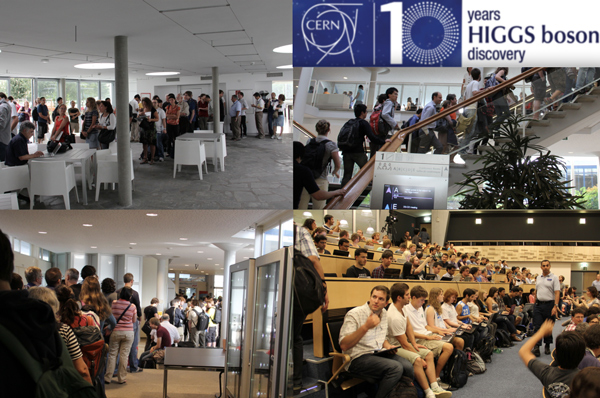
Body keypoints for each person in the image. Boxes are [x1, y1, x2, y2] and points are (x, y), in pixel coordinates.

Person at [339, 285, 411, 398]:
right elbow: (344, 345)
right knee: (395, 368)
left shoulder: (384, 314)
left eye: (381, 299)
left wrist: (388, 346)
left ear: (386, 303)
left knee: (408, 366)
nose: (376, 301)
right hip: (357, 357)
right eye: (374, 297)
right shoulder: (354, 314)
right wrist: (365, 327)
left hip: (377, 353)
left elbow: (382, 338)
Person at [387, 283, 452, 398]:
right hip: (395, 347)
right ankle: (428, 392)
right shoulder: (394, 316)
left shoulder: (402, 308)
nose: (409, 296)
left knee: (429, 354)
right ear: (399, 297)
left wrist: (414, 344)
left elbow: (408, 327)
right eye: (407, 294)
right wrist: (416, 351)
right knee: (418, 360)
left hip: (405, 343)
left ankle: (435, 386)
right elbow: (403, 343)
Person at [293, 222, 328, 393]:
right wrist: (324, 289)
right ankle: (296, 380)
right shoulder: (298, 230)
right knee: (295, 336)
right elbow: (313, 259)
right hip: (296, 293)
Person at [519, 320, 584, 398]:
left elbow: (524, 351)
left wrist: (541, 332)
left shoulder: (546, 373)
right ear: (583, 355)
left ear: (555, 353)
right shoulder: (585, 379)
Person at [403, 286, 453, 382]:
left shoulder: (420, 308)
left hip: (427, 335)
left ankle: (440, 373)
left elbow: (426, 326)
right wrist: (428, 336)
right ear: (413, 298)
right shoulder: (406, 310)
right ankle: (437, 377)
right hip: (419, 338)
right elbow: (409, 332)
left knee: (451, 340)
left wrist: (438, 331)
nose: (423, 303)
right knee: (448, 347)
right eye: (421, 300)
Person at [340, 104, 390, 187]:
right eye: (366, 111)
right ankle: (370, 187)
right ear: (362, 113)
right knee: (367, 171)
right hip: (357, 152)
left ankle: (342, 195)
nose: (366, 113)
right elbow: (372, 137)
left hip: (346, 152)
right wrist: (384, 141)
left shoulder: (349, 122)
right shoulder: (363, 123)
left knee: (347, 175)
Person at [298, 119, 341, 209]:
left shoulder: (310, 142)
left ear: (316, 129)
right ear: (329, 130)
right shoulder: (331, 145)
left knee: (301, 207)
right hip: (321, 179)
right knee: (319, 209)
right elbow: (338, 164)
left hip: (305, 179)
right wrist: (335, 172)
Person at [293, 141, 346, 209]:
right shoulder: (303, 171)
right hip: (321, 180)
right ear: (301, 155)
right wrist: (336, 192)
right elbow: (318, 195)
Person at [105, 286, 138, 384]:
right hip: (128, 333)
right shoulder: (132, 306)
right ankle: (121, 378)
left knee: (112, 354)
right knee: (124, 355)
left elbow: (110, 316)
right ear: (130, 296)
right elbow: (134, 320)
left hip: (116, 331)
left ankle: (108, 377)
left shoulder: (113, 303)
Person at [532, 259, 561, 357]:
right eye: (543, 265)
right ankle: (537, 347)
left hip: (549, 305)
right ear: (541, 267)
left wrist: (555, 306)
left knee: (548, 326)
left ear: (550, 266)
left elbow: (557, 292)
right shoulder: (538, 278)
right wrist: (535, 302)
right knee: (537, 326)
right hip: (538, 305)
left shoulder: (554, 278)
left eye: (547, 265)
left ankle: (547, 345)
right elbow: (537, 291)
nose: (545, 267)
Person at [115, 273, 142, 373]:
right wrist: (140, 316)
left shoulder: (117, 292)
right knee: (133, 344)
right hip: (131, 321)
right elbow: (138, 307)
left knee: (117, 348)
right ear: (132, 281)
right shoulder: (134, 293)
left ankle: (116, 369)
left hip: (118, 322)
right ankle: (133, 366)